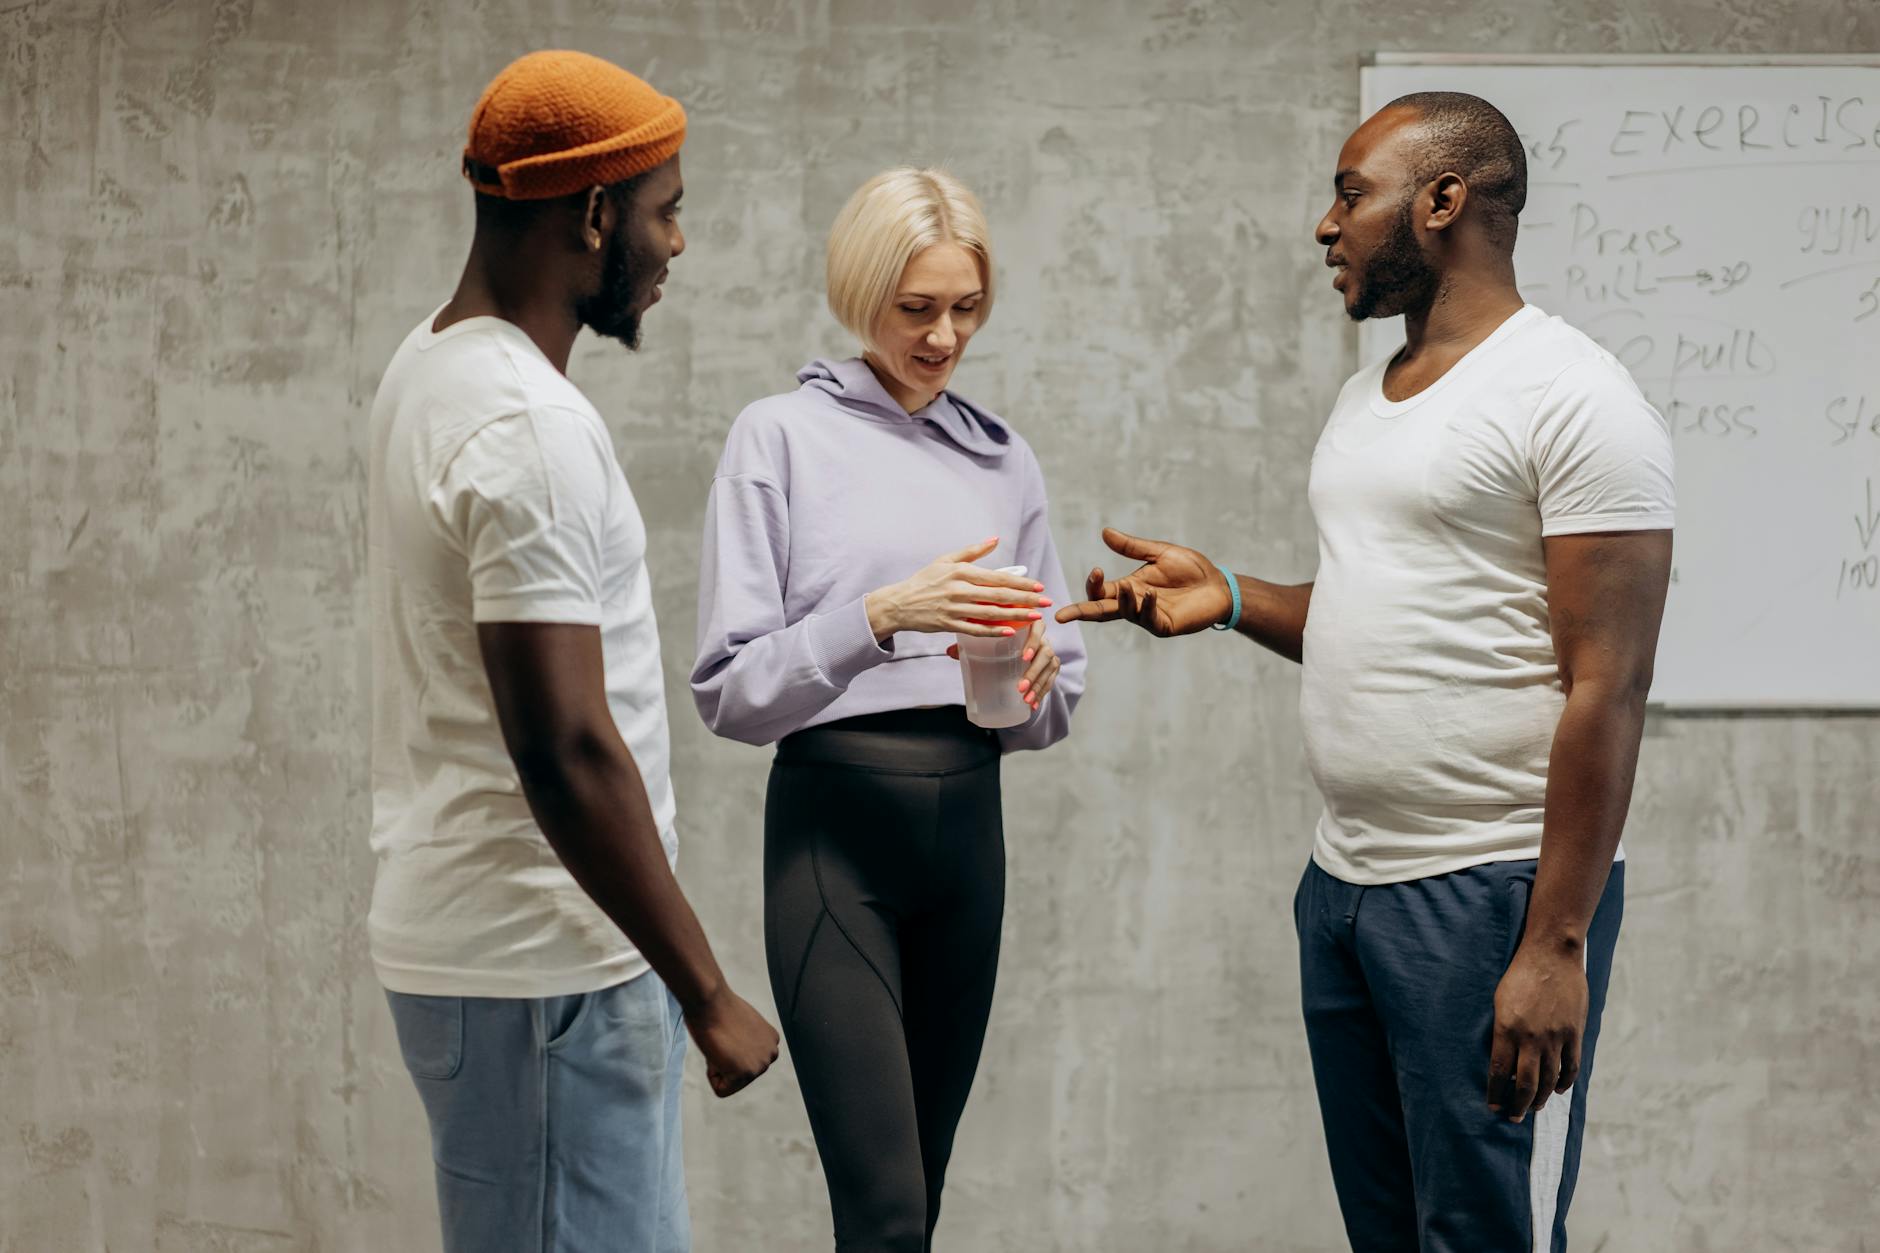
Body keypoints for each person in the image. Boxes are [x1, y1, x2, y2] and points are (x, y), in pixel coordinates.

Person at [1057, 93, 1675, 1252]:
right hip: (1343, 885)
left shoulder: (1575, 397)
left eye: (1350, 192)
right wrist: (1233, 595)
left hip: (1488, 892)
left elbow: (1609, 686)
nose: (1323, 225)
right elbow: (1376, 617)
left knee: (1482, 1234)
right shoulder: (1367, 397)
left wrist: (1552, 945)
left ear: (1441, 201)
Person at [366, 50, 777, 1253]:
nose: (677, 246)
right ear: (593, 216)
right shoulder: (527, 429)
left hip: (484, 953)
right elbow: (564, 742)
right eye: (667, 211)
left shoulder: (426, 366)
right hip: (546, 966)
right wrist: (706, 993)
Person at [690, 167, 1087, 1252]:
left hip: (971, 837)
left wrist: (1033, 674)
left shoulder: (1003, 458)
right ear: (860, 293)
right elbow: (728, 692)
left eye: (965, 307)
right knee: (884, 1213)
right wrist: (882, 613)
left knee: (923, 1201)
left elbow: (1051, 709)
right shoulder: (777, 439)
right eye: (916, 308)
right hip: (835, 841)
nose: (943, 336)